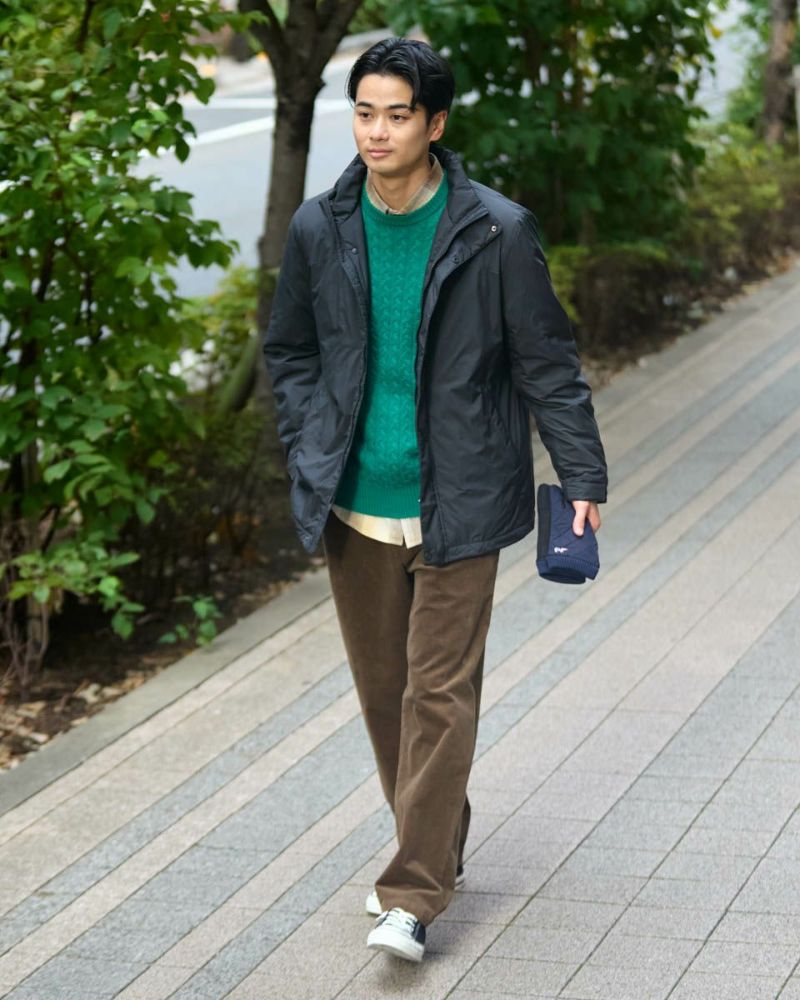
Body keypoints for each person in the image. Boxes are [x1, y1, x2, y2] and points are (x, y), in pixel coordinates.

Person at [263, 37, 607, 963]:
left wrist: (581, 476)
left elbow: (548, 364)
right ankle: (435, 843)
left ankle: (412, 894)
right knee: (388, 699)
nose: (377, 131)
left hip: (461, 498)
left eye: (397, 114)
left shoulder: (496, 231)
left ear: (436, 123)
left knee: (440, 695)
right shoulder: (320, 227)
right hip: (355, 501)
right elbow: (290, 349)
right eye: (364, 112)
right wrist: (308, 441)